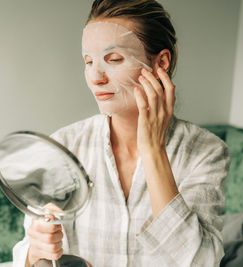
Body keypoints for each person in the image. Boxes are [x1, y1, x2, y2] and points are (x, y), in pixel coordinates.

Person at [13, 0, 230, 266]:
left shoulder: (205, 152)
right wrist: (36, 251)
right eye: (88, 61)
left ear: (160, 63)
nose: (95, 76)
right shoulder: (64, 146)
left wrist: (153, 151)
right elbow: (28, 252)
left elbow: (202, 262)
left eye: (114, 59)